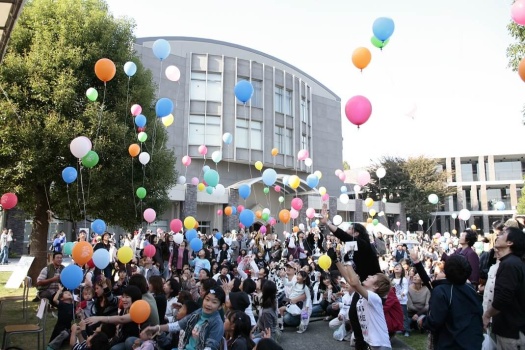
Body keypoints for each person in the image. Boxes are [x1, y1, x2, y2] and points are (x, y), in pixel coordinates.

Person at [418, 255, 483, 349]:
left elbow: (434, 321)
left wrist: (422, 321)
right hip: (472, 342)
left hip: (451, 344)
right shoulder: (470, 289)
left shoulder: (441, 291)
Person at [142, 287, 226, 350]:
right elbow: (179, 325)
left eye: (214, 302)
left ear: (220, 306)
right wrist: (157, 328)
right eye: (207, 300)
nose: (208, 304)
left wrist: (197, 341)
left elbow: (209, 348)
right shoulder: (199, 312)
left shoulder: (217, 324)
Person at [482, 226, 525, 349]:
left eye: (503, 234)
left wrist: (487, 315)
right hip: (512, 329)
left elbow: (503, 298)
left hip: (512, 332)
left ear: (510, 242)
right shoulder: (513, 262)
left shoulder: (509, 264)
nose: (498, 235)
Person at [335, 259, 392, 349]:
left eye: (372, 277)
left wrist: (349, 263)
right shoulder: (363, 295)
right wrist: (336, 261)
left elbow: (354, 283)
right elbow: (350, 281)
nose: (369, 276)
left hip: (381, 346)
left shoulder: (375, 298)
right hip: (372, 344)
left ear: (376, 286)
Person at [47, 285, 75, 350]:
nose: (68, 293)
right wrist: (59, 290)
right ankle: (51, 346)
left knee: (67, 337)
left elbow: (74, 315)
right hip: (60, 327)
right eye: (66, 293)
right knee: (60, 337)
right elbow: (54, 300)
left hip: (68, 326)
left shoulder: (72, 305)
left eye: (69, 293)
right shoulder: (62, 304)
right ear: (62, 298)